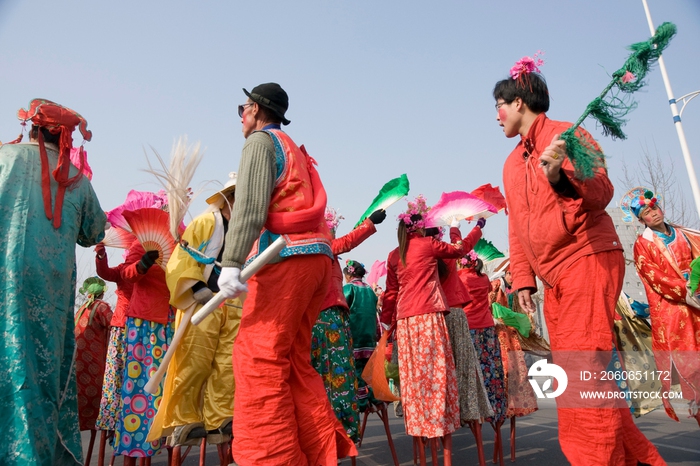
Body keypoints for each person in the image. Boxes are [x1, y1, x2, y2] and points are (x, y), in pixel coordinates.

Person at [493, 59, 665, 464]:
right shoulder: (511, 164)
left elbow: (602, 192)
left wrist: (560, 177)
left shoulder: (569, 137)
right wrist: (523, 283)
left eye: (498, 104)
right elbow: (517, 228)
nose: (495, 115)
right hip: (553, 277)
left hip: (586, 256)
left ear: (519, 102)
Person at [217, 83, 356, 465]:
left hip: (285, 258)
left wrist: (231, 263)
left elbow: (249, 205)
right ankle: (315, 453)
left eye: (242, 107)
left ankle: (271, 460)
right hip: (316, 261)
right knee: (293, 359)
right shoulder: (294, 149)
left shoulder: (260, 142)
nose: (241, 116)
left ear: (258, 110)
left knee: (257, 356)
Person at [0, 99, 106, 466]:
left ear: (31, 127)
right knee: (43, 375)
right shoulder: (77, 180)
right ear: (64, 136)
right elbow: (94, 232)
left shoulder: (4, 159)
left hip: (4, 287)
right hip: (51, 298)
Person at [148, 173, 244, 446]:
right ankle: (183, 419)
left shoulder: (246, 232)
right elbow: (182, 258)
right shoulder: (205, 223)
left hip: (232, 303)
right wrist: (194, 288)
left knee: (228, 363)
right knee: (195, 360)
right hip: (202, 301)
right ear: (229, 198)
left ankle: (221, 417)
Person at [380, 196, 474, 462]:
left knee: (414, 381)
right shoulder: (428, 245)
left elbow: (391, 292)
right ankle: (440, 430)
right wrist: (456, 228)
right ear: (420, 227)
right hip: (430, 318)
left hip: (406, 324)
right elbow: (458, 250)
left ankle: (420, 431)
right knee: (437, 377)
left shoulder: (393, 255)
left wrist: (387, 322)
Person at [311, 208, 384, 444]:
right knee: (336, 376)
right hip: (329, 321)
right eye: (330, 228)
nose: (332, 232)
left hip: (337, 324)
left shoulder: (349, 285)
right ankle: (334, 430)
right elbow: (346, 243)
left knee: (337, 376)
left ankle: (334, 430)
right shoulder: (322, 248)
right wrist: (368, 224)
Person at [629, 189, 700, 425]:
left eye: (654, 208)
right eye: (647, 213)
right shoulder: (643, 245)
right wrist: (686, 289)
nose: (654, 214)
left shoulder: (687, 235)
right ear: (641, 220)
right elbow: (655, 278)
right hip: (676, 312)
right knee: (693, 372)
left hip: (698, 306)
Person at [113, 238, 174, 464]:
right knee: (138, 386)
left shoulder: (180, 242)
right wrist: (143, 264)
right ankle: (135, 443)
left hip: (171, 321)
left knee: (167, 389)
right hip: (143, 322)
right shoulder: (143, 242)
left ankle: (163, 441)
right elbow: (126, 274)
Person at [426, 227, 492, 426]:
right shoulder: (448, 256)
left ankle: (438, 414)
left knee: (437, 370)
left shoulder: (421, 259)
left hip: (433, 316)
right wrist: (458, 228)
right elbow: (461, 246)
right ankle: (467, 410)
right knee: (463, 365)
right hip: (455, 313)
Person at [458, 255, 507, 426]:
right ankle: (492, 406)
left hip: (469, 326)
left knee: (470, 369)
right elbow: (487, 292)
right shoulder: (484, 278)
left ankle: (472, 409)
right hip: (486, 326)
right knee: (490, 366)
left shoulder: (460, 278)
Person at [93, 242, 134, 439]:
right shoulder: (123, 270)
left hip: (141, 326)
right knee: (117, 375)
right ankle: (114, 420)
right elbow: (105, 273)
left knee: (128, 377)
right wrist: (101, 254)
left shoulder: (153, 271)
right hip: (124, 326)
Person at [342, 259, 381, 415]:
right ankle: (374, 397)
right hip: (369, 335)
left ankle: (362, 400)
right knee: (368, 370)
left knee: (357, 369)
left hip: (355, 335)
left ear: (349, 275)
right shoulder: (370, 291)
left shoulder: (348, 289)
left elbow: (342, 311)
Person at [74, 277, 113, 432]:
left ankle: (83, 424)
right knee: (100, 391)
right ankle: (101, 422)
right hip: (95, 359)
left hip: (80, 359)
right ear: (102, 293)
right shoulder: (102, 307)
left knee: (82, 392)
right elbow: (116, 325)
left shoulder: (81, 309)